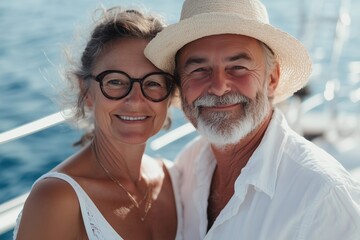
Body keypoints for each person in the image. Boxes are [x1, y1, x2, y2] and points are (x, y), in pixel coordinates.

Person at [144, 0, 360, 239]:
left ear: (272, 79)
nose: (218, 87)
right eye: (199, 70)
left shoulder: (321, 196)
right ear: (180, 86)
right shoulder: (189, 165)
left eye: (238, 67)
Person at [14, 7, 181, 240]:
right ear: (87, 92)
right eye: (115, 81)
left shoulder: (173, 179)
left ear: (170, 94)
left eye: (152, 83)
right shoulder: (57, 199)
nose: (135, 100)